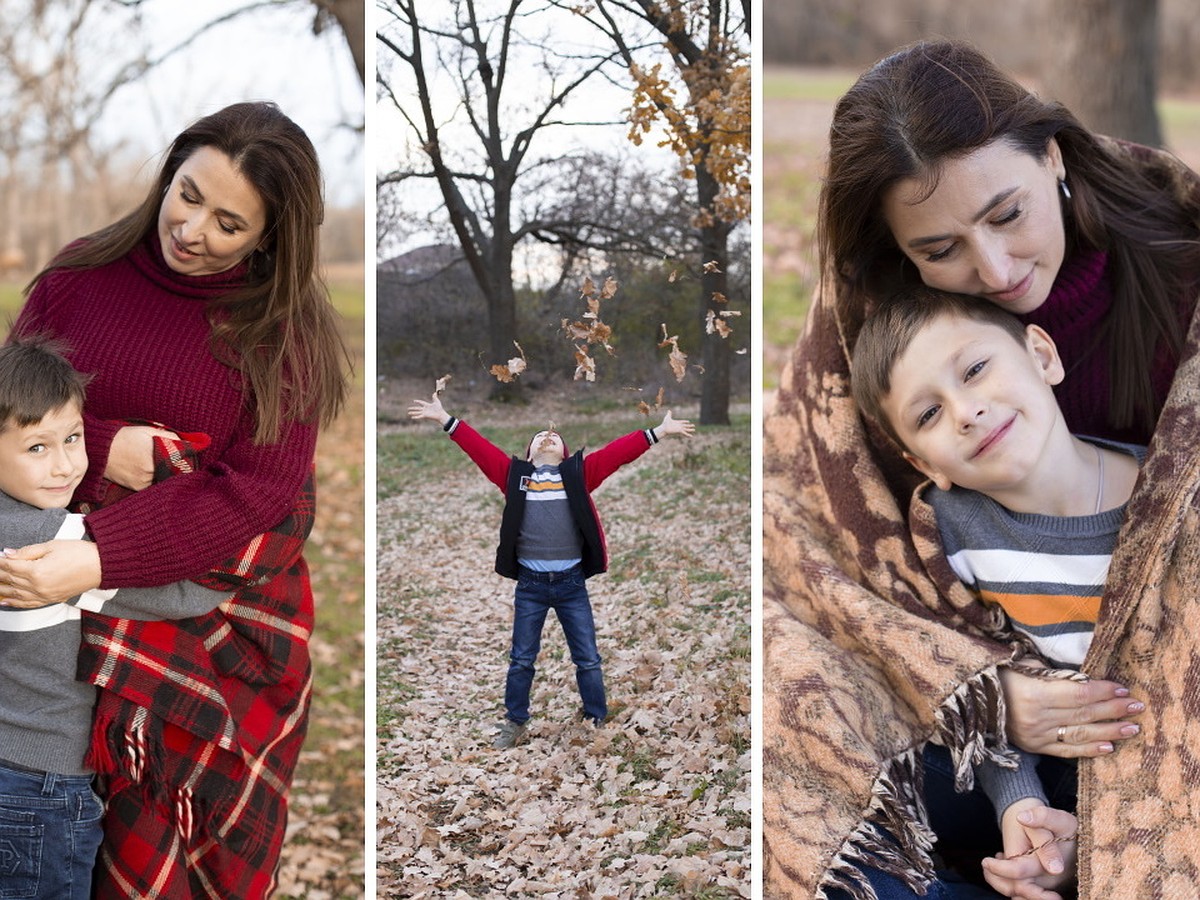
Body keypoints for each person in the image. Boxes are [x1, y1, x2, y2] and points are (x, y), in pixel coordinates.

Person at [763, 39, 1200, 900]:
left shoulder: (1179, 259)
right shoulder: (878, 321)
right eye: (942, 248)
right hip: (988, 709)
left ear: (1052, 156)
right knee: (790, 737)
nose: (994, 272)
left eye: (1007, 214)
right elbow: (814, 526)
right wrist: (983, 693)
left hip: (1162, 696)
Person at [0, 101, 348, 899]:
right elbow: (9, 415)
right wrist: (109, 442)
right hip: (35, 629)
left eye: (229, 223)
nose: (192, 230)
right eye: (187, 195)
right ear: (170, 173)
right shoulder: (78, 277)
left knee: (156, 863)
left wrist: (95, 560)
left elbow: (259, 495)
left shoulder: (281, 334)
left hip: (203, 629)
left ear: (269, 238)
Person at [850, 287, 1147, 898]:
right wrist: (1023, 810)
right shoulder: (951, 529)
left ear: (1041, 354)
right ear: (922, 460)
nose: (965, 412)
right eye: (928, 414)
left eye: (976, 370)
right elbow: (970, 681)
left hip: (1152, 768)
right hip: (1034, 769)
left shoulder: (1165, 492)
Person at [407, 391, 695, 748]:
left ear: (565, 453)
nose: (548, 437)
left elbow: (616, 454)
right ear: (529, 454)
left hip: (571, 583)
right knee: (522, 659)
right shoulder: (515, 477)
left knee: (587, 658)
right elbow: (480, 449)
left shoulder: (577, 476)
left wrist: (658, 432)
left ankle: (595, 716)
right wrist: (445, 419)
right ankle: (515, 721)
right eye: (540, 438)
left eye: (554, 437)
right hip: (531, 585)